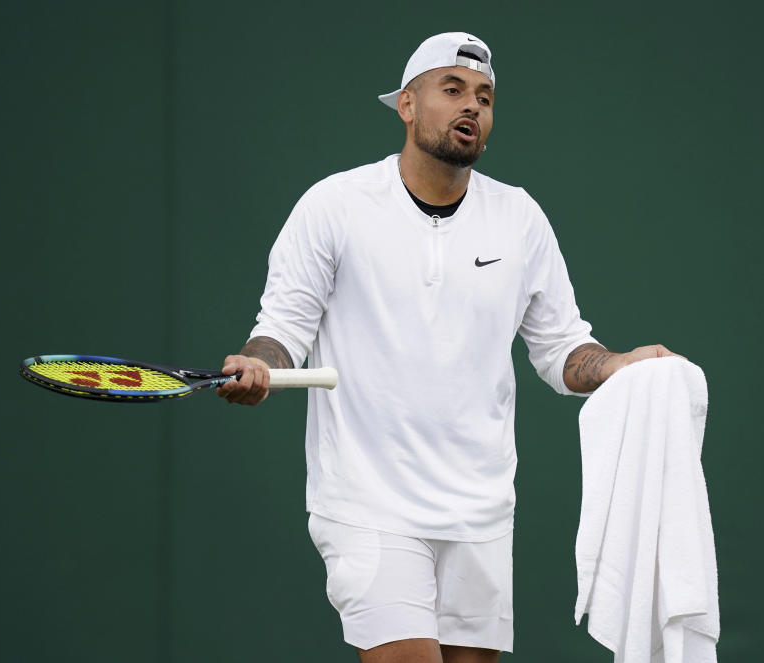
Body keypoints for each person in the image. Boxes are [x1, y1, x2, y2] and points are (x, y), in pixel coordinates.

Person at [216, 32, 679, 663]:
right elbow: (284, 330)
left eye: (485, 98)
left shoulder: (519, 218)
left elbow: (562, 350)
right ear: (407, 105)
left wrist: (621, 366)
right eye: (453, 90)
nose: (472, 107)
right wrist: (260, 365)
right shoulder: (334, 206)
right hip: (368, 504)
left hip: (481, 513)